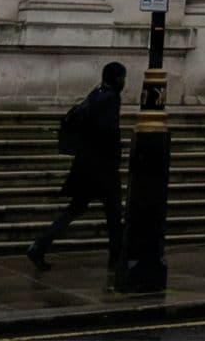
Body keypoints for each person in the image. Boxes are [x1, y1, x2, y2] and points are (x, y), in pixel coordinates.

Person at [25, 61, 128, 276]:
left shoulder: (95, 94)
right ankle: (116, 258)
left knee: (75, 209)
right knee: (113, 213)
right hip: (103, 167)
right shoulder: (111, 99)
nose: (123, 82)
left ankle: (39, 246)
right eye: (122, 77)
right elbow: (108, 131)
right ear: (117, 78)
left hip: (85, 164)